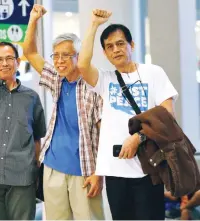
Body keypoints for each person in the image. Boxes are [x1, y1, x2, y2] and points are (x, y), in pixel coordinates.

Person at [77, 9, 178, 220]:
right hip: (115, 171)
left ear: (132, 45)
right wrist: (94, 24)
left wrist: (139, 137)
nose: (116, 50)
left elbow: (168, 117)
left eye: (121, 43)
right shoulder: (105, 79)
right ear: (105, 53)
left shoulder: (154, 73)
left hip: (148, 169)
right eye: (110, 46)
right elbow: (82, 64)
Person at [22, 4, 104, 220]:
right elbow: (29, 52)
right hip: (52, 166)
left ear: (79, 56)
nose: (59, 61)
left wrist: (98, 172)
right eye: (55, 55)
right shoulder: (56, 79)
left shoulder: (94, 87)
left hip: (84, 171)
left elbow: (103, 133)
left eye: (66, 55)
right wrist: (33, 20)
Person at [0, 24, 47, 220]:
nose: (4, 63)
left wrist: (34, 166)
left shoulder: (31, 98)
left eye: (9, 59)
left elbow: (37, 137)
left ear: (18, 62)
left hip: (22, 174)